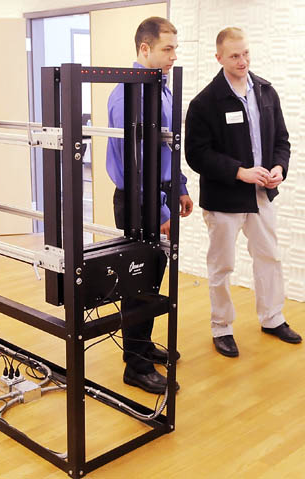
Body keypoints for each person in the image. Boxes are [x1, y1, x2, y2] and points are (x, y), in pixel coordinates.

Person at [184, 27, 302, 359]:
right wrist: (239, 172)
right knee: (222, 266)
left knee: (269, 257)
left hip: (262, 195)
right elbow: (197, 154)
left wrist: (279, 167)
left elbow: (282, 140)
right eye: (235, 55)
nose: (243, 61)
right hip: (224, 199)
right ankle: (221, 327)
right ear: (219, 57)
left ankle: (272, 318)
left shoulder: (266, 91)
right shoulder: (204, 102)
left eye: (246, 53)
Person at [106, 16, 193, 394]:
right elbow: (134, 163)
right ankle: (135, 366)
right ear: (145, 49)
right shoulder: (130, 93)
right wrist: (159, 212)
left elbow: (167, 146)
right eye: (167, 48)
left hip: (159, 197)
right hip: (140, 201)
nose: (174, 55)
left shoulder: (160, 87)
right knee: (138, 281)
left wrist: (181, 188)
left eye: (175, 47)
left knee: (152, 279)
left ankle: (141, 344)